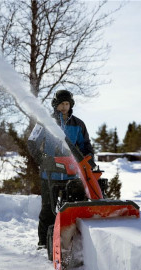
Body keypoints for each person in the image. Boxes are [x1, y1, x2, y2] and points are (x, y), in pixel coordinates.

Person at [27, 90, 94, 249]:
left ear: (70, 105)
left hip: (72, 175)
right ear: (55, 105)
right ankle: (44, 243)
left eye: (66, 104)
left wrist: (88, 160)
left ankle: (74, 243)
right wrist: (43, 159)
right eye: (61, 104)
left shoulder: (78, 124)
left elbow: (86, 146)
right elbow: (32, 142)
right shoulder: (45, 122)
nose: (64, 107)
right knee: (48, 210)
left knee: (73, 210)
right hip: (50, 174)